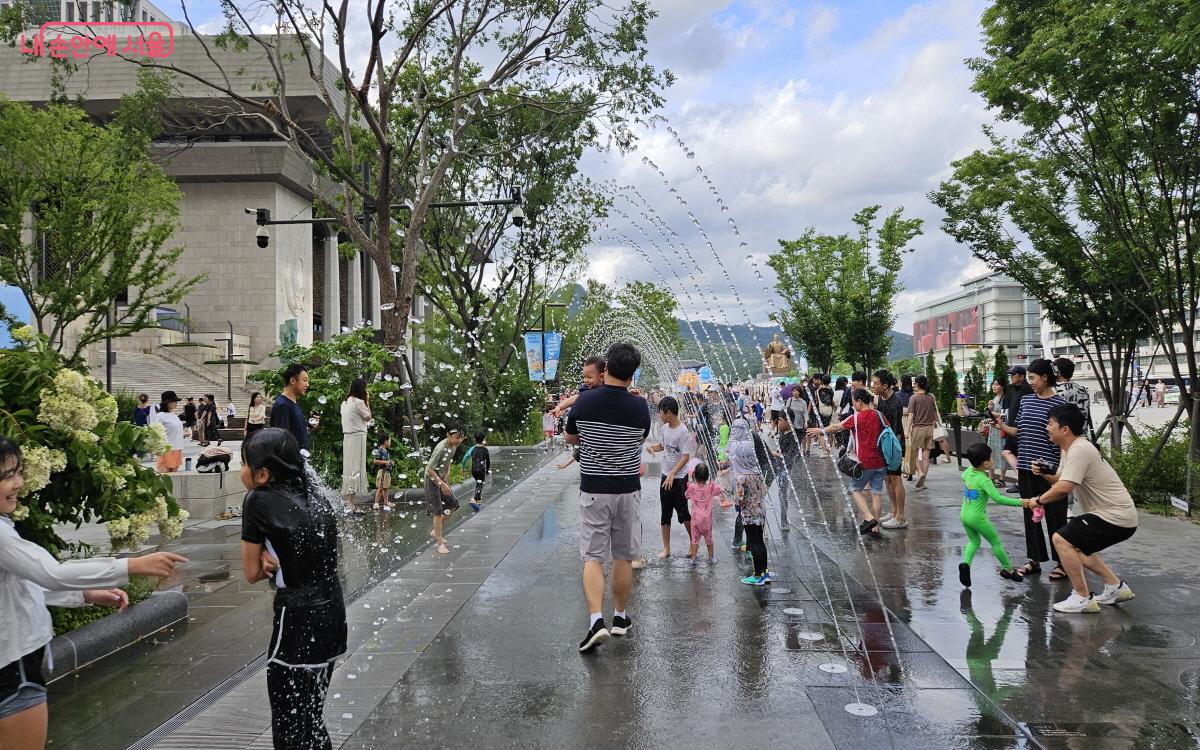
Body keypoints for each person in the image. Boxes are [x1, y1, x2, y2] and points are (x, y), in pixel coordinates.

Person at [0, 435, 186, 750]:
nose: (18, 482)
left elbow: (18, 587)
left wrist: (86, 595)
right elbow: (51, 573)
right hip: (15, 672)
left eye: (18, 472)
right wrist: (131, 565)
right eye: (7, 476)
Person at [239, 428, 346, 749]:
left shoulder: (257, 500)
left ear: (262, 474)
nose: (239, 469)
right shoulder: (316, 495)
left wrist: (267, 559)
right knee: (312, 720)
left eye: (243, 463)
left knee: (289, 727)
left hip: (296, 624)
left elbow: (251, 572)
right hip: (333, 620)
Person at [564, 342, 650, 652]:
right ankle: (621, 617)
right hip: (627, 489)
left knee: (593, 557)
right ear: (632, 375)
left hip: (594, 489)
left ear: (606, 369)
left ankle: (596, 621)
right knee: (623, 556)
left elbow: (571, 436)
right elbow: (640, 438)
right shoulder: (640, 407)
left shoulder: (585, 403)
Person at [1021, 404, 1138, 613]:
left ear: (1064, 429)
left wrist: (1038, 500)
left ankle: (1083, 597)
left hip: (1115, 516)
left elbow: (1065, 488)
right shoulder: (1070, 448)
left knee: (1061, 539)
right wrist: (1043, 473)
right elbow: (1060, 479)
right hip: (1113, 515)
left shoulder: (1080, 449)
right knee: (1076, 547)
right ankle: (1116, 587)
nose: (1047, 427)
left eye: (1050, 423)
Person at [993, 358, 1066, 580]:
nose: (1031, 382)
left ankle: (1062, 562)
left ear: (1045, 377)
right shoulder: (1025, 400)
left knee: (1055, 516)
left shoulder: (1060, 404)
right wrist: (1002, 427)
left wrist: (1060, 470)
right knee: (1030, 514)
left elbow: (1064, 439)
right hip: (1025, 466)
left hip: (1048, 469)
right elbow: (1020, 432)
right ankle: (1034, 560)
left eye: (1033, 378)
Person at [809, 389, 887, 539]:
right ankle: (875, 526)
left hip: (864, 462)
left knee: (855, 489)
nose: (853, 404)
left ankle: (869, 517)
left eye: (853, 401)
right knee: (876, 493)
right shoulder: (879, 415)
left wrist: (821, 430)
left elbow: (837, 427)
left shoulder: (857, 418)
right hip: (880, 460)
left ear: (859, 401)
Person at [957, 442, 1025, 588]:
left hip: (964, 514)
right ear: (986, 463)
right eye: (991, 458)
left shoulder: (969, 471)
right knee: (995, 542)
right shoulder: (985, 480)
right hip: (977, 517)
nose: (993, 460)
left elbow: (964, 477)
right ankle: (1009, 570)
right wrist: (1020, 502)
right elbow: (998, 498)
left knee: (974, 542)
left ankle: (965, 564)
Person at [645, 396, 693, 560]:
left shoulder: (683, 431)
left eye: (661, 412)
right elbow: (663, 446)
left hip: (679, 478)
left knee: (684, 513)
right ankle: (666, 548)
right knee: (665, 514)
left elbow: (686, 456)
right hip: (666, 476)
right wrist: (652, 448)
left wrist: (673, 473)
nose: (659, 415)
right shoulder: (665, 429)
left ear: (669, 412)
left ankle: (693, 543)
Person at [727, 407, 770, 584]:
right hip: (759, 511)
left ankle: (758, 575)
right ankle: (764, 572)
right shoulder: (756, 473)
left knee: (753, 542)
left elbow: (739, 499)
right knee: (760, 541)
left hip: (749, 515)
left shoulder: (741, 477)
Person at [873, 370, 908, 529]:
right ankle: (893, 511)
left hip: (894, 444)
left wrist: (893, 451)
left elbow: (896, 430)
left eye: (876, 383)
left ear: (885, 386)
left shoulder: (896, 402)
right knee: (887, 479)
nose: (874, 386)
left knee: (896, 478)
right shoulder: (882, 398)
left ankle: (900, 516)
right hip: (884, 443)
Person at [424, 422, 465, 554]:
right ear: (448, 435)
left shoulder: (453, 446)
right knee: (438, 511)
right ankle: (440, 543)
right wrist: (441, 484)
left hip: (441, 478)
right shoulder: (440, 448)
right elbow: (429, 469)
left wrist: (446, 475)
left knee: (453, 505)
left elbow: (448, 461)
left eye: (462, 437)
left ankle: (436, 531)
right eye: (457, 436)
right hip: (431, 480)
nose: (460, 440)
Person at [339, 378, 372, 510]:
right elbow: (368, 417)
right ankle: (352, 503)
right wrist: (367, 400)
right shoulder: (359, 402)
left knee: (349, 468)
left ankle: (350, 501)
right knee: (356, 468)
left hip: (347, 437)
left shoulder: (345, 403)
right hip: (358, 437)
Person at [999, 366, 1032, 493]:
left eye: (1014, 375)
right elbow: (1008, 409)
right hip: (1010, 428)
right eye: (1011, 375)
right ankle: (1022, 480)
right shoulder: (1013, 390)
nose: (1011, 377)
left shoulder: (1027, 390)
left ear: (1022, 377)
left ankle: (1023, 482)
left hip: (1021, 429)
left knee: (1019, 456)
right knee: (1007, 452)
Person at [271, 364, 316, 454]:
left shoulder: (292, 404)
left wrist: (311, 426)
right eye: (304, 380)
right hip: (292, 463)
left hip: (299, 461)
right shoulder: (283, 406)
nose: (307, 385)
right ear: (292, 380)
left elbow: (298, 431)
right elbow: (282, 441)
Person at [685, 463, 722, 563]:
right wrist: (713, 484)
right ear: (707, 476)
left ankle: (693, 559)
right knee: (709, 540)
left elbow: (686, 495)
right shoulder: (710, 488)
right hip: (707, 521)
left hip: (695, 520)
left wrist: (689, 485)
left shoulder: (692, 487)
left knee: (694, 540)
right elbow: (719, 491)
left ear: (695, 475)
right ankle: (711, 558)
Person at [908, 375, 939, 489]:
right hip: (929, 428)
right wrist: (938, 425)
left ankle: (920, 473)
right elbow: (935, 414)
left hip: (918, 428)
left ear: (917, 384)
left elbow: (911, 415)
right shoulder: (931, 397)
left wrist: (907, 430)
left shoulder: (914, 398)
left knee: (915, 454)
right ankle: (923, 481)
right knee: (926, 456)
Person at [772, 411, 802, 528]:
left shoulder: (794, 436)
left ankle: (784, 522)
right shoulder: (783, 432)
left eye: (780, 420)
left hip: (786, 469)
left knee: (783, 494)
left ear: (787, 420)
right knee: (780, 493)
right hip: (777, 466)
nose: (778, 423)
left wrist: (776, 454)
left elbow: (792, 455)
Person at [1052, 358, 1092, 439]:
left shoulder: (1055, 391)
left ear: (1058, 372)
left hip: (1066, 437)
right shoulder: (1082, 389)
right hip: (1082, 436)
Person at [982, 379, 1009, 487]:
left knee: (1001, 452)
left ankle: (1002, 478)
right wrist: (989, 409)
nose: (994, 386)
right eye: (993, 384)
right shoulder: (994, 398)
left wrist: (992, 412)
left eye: (996, 384)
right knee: (991, 452)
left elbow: (1005, 414)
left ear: (1002, 386)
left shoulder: (1005, 399)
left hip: (1000, 428)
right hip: (993, 429)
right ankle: (991, 478)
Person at [150, 391, 185, 473]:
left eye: (176, 401)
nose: (176, 403)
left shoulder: (174, 415)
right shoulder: (160, 416)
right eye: (173, 401)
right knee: (164, 479)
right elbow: (155, 433)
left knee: (175, 480)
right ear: (166, 402)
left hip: (178, 449)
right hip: (166, 451)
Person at [468, 431, 491, 513]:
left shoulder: (473, 448)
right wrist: (488, 469)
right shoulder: (485, 449)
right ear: (483, 439)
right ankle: (475, 501)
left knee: (478, 485)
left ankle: (477, 501)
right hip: (481, 470)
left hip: (473, 470)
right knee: (479, 485)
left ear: (475, 439)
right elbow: (488, 461)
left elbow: (473, 458)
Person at [370, 435, 393, 511]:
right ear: (385, 442)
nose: (390, 443)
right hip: (382, 471)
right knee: (380, 487)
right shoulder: (380, 450)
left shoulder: (386, 451)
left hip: (387, 472)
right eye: (389, 441)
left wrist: (390, 462)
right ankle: (376, 503)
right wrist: (385, 462)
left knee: (386, 488)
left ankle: (386, 503)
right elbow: (375, 461)